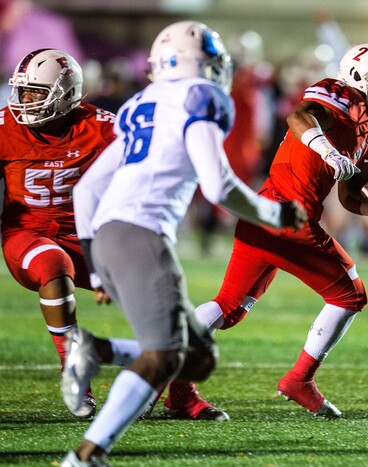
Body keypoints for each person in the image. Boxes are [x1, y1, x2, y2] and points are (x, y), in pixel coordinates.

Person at [59, 21, 306, 466]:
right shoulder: (203, 97)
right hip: (142, 234)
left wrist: (96, 266)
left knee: (199, 360)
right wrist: (276, 214)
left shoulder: (141, 102)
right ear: (205, 63)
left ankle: (98, 350)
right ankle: (86, 455)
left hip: (109, 234)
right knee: (163, 358)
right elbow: (217, 185)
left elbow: (86, 190)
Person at [165, 42, 368, 420]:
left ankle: (173, 384)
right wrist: (326, 150)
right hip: (286, 215)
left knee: (229, 307)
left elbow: (346, 194)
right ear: (360, 77)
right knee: (351, 295)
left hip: (264, 213)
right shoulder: (338, 96)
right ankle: (299, 380)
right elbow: (300, 116)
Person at [0, 48, 145, 419]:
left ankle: (177, 392)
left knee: (153, 289)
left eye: (35, 92)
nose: (25, 100)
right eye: (23, 91)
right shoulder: (6, 127)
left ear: (65, 94)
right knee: (52, 263)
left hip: (84, 235)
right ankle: (74, 372)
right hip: (27, 234)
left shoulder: (102, 127)